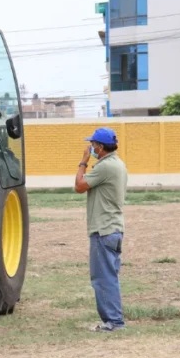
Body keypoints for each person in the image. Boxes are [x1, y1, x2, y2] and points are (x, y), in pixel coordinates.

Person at [74, 127, 128, 332]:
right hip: (114, 228)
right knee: (109, 276)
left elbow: (79, 186)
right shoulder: (118, 164)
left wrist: (83, 161)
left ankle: (113, 322)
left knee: (102, 278)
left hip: (103, 230)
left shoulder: (105, 167)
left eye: (93, 145)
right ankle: (114, 320)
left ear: (101, 147)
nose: (91, 147)